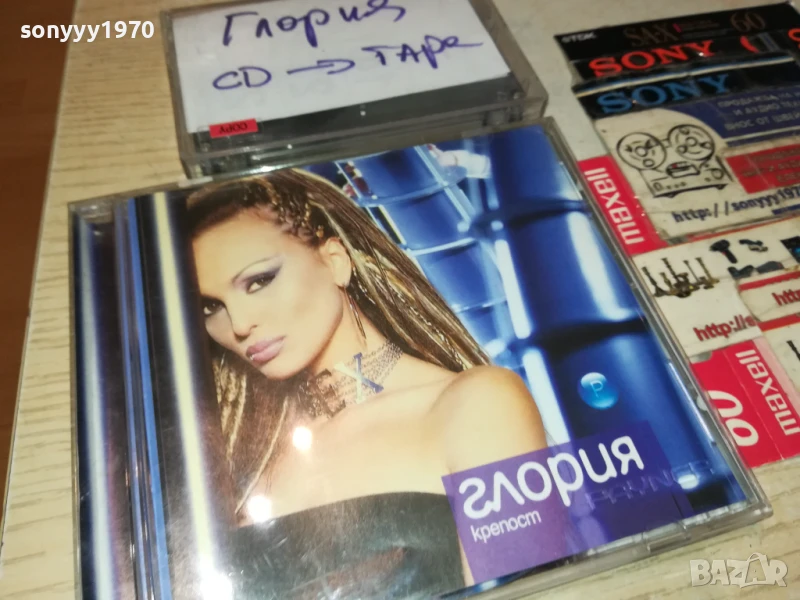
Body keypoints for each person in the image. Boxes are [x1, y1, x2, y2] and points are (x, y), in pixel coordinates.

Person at [186, 168, 546, 596]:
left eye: (260, 280)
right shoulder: (243, 459)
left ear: (334, 261)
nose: (239, 325)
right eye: (211, 307)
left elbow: (536, 591)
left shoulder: (477, 404)